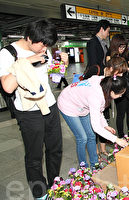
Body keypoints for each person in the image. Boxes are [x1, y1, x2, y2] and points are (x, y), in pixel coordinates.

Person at [0, 19, 68, 199]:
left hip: (50, 106)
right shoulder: (8, 54)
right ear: (29, 38)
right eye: (42, 45)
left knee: (55, 149)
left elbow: (53, 80)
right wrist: (26, 61)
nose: (44, 49)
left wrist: (62, 66)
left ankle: (55, 184)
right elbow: (7, 87)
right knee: (34, 156)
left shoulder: (44, 49)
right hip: (28, 112)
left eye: (47, 45)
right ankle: (40, 193)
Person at [57, 75, 128, 168]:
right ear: (111, 91)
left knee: (91, 135)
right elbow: (96, 126)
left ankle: (94, 164)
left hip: (82, 105)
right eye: (120, 94)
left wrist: (105, 125)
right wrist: (116, 139)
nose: (121, 96)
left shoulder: (106, 83)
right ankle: (83, 168)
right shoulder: (95, 96)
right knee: (82, 138)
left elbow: (99, 109)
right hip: (68, 104)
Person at [96, 56, 128, 162]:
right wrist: (116, 139)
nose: (121, 76)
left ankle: (103, 149)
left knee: (105, 123)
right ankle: (96, 153)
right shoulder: (97, 72)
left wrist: (105, 125)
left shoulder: (112, 80)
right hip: (85, 104)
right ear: (110, 69)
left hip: (101, 103)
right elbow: (95, 124)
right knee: (88, 135)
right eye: (119, 73)